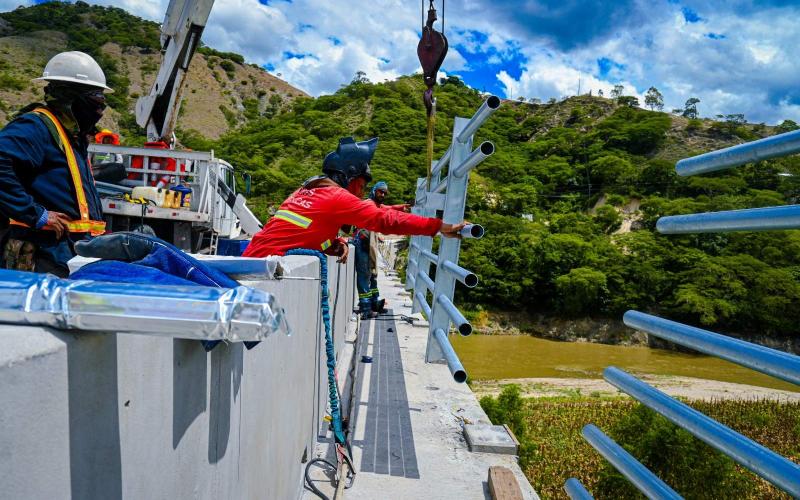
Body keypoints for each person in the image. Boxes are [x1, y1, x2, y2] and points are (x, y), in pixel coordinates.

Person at [242, 137, 465, 262]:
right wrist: (439, 226)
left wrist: (332, 244)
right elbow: (384, 220)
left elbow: (298, 233)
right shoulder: (337, 197)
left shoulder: (304, 191)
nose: (361, 191)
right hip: (266, 273)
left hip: (250, 261)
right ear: (350, 175)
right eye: (363, 183)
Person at [0, 51, 111, 277]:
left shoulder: (70, 136)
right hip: (40, 252)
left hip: (66, 251)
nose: (100, 110)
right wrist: (36, 214)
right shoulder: (35, 126)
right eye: (96, 100)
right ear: (70, 98)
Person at [353, 181, 408, 317]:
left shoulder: (377, 205)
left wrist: (403, 207)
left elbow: (389, 208)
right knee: (365, 275)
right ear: (374, 191)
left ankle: (374, 303)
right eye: (380, 191)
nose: (382, 194)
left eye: (384, 193)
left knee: (372, 275)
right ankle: (365, 309)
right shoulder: (368, 204)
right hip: (362, 242)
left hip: (370, 242)